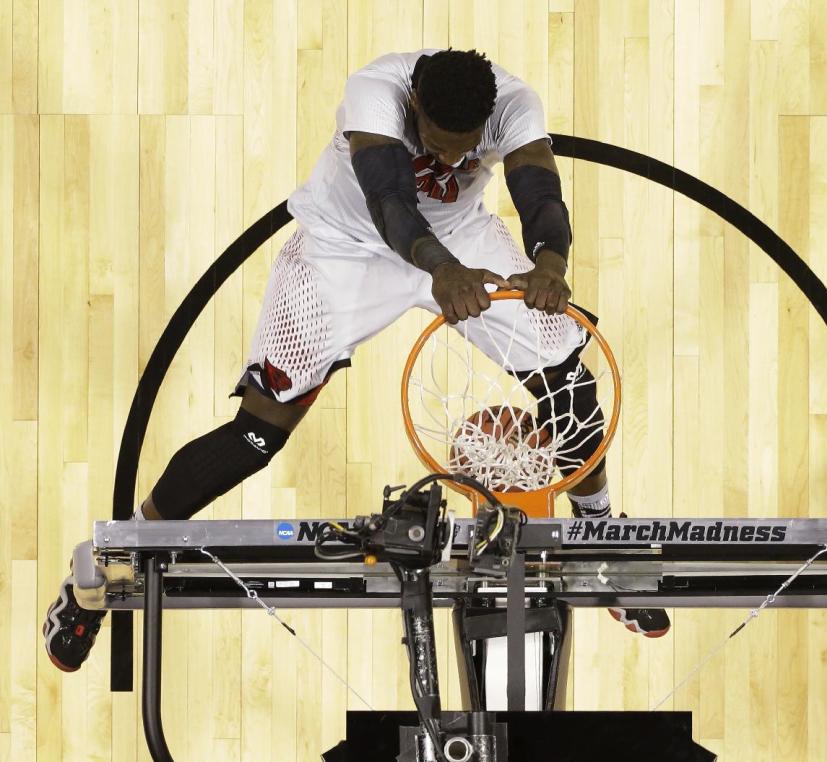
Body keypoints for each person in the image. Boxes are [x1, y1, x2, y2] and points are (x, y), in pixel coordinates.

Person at [43, 49, 670, 673]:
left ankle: (599, 540)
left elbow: (538, 188)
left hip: (460, 242)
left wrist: (551, 266)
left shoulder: (514, 103)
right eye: (437, 143)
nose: (452, 160)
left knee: (569, 377)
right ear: (414, 106)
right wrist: (444, 273)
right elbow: (390, 200)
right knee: (258, 433)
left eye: (466, 147)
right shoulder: (376, 92)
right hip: (345, 248)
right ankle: (108, 563)